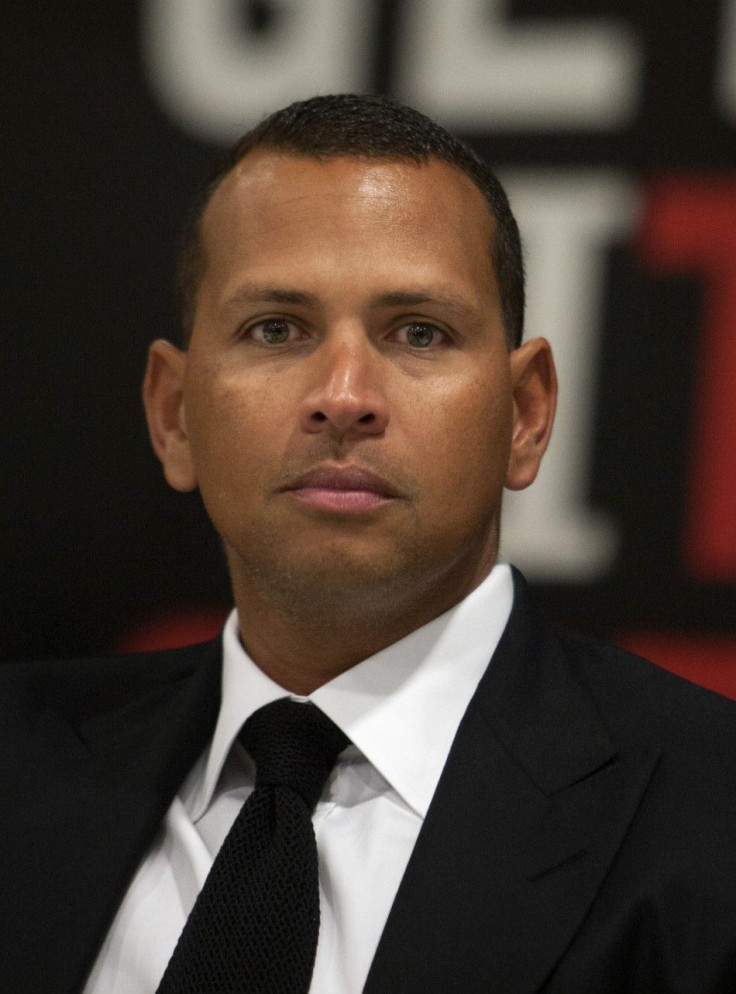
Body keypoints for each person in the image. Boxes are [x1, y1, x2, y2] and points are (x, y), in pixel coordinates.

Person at [2, 94, 736, 994]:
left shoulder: (713, 814)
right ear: (172, 414)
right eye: (277, 328)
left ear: (527, 416)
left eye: (417, 332)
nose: (343, 395)